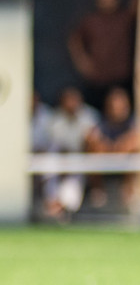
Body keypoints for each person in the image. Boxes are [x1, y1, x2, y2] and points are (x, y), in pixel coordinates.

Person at [67, 0, 137, 112]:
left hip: (120, 78)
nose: (108, 0)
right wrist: (82, 62)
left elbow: (137, 4)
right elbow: (74, 40)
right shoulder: (91, 21)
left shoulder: (124, 18)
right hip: (97, 80)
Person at [41, 87, 99, 219]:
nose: (72, 104)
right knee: (51, 160)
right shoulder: (55, 120)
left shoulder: (89, 116)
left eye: (75, 100)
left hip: (81, 164)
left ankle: (63, 206)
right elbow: (56, 148)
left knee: (75, 177)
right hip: (60, 163)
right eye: (69, 100)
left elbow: (91, 145)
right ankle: (54, 202)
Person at [85, 86, 140, 210]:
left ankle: (129, 190)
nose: (117, 109)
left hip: (125, 164)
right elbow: (93, 140)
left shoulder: (133, 122)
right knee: (93, 150)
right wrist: (109, 149)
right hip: (105, 162)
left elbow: (134, 141)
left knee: (135, 149)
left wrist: (120, 148)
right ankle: (97, 190)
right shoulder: (102, 123)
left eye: (121, 106)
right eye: (114, 106)